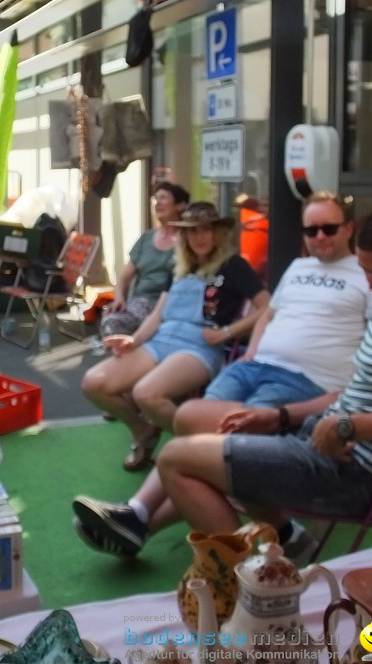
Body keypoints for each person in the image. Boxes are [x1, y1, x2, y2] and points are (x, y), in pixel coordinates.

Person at [155, 206, 372, 563]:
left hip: (353, 474)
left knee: (174, 458)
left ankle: (256, 587)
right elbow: (350, 394)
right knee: (216, 429)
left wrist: (347, 426)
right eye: (367, 272)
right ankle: (285, 545)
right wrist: (279, 417)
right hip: (322, 441)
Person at [73, 191, 372, 554]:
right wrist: (249, 352)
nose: (320, 237)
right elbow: (269, 313)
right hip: (253, 366)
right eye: (312, 231)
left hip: (302, 382)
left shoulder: (367, 277)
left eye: (329, 228)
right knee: (187, 417)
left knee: (211, 440)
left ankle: (139, 516)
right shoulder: (298, 268)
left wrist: (349, 401)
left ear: (349, 229)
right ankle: (144, 518)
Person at [82, 201, 269, 471]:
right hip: (162, 338)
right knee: (93, 383)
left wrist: (228, 332)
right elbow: (158, 314)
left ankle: (201, 451)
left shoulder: (233, 265)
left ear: (217, 232)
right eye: (192, 231)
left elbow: (267, 306)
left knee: (146, 393)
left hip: (199, 347)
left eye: (205, 230)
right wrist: (134, 340)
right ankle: (143, 431)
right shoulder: (179, 266)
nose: (199, 237)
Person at [99, 182, 190, 338]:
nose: (158, 203)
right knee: (112, 321)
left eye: (164, 198)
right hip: (141, 303)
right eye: (155, 199)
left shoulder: (188, 240)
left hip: (170, 304)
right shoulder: (146, 238)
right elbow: (124, 277)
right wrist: (119, 298)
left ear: (180, 205)